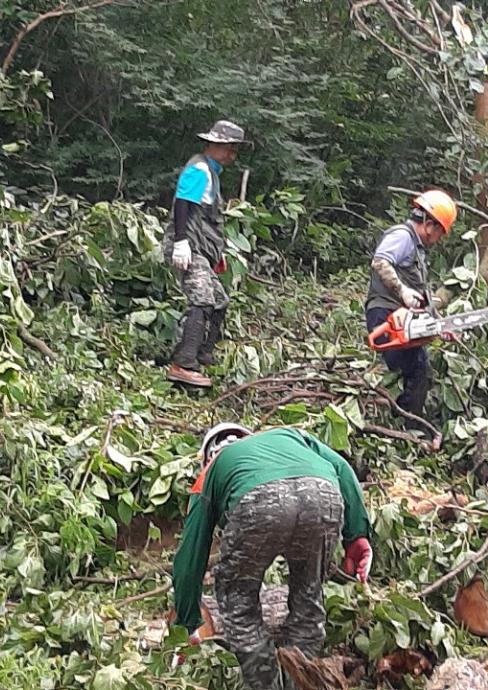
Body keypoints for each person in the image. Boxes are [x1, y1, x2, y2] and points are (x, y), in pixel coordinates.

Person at [171, 423, 373, 690]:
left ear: (209, 455)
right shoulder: (290, 435)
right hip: (323, 493)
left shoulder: (210, 471)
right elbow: (343, 469)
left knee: (240, 606)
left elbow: (190, 556)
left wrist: (187, 621)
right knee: (308, 599)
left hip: (257, 502)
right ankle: (300, 684)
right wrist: (357, 535)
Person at [162, 120, 247, 387]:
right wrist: (181, 242)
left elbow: (205, 218)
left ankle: (202, 353)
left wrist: (215, 254)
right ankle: (183, 364)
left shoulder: (211, 172)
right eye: (230, 149)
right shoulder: (199, 169)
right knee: (202, 300)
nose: (233, 155)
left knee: (219, 300)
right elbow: (182, 206)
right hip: (188, 247)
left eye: (235, 150)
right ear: (216, 145)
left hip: (200, 249)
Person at [365, 189, 458, 418]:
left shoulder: (416, 248)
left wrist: (438, 326)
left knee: (416, 370)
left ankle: (399, 419)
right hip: (385, 313)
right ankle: (407, 426)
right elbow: (380, 262)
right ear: (430, 224)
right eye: (440, 232)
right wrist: (403, 291)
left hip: (400, 317)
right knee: (417, 370)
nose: (438, 239)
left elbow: (418, 301)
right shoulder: (403, 237)